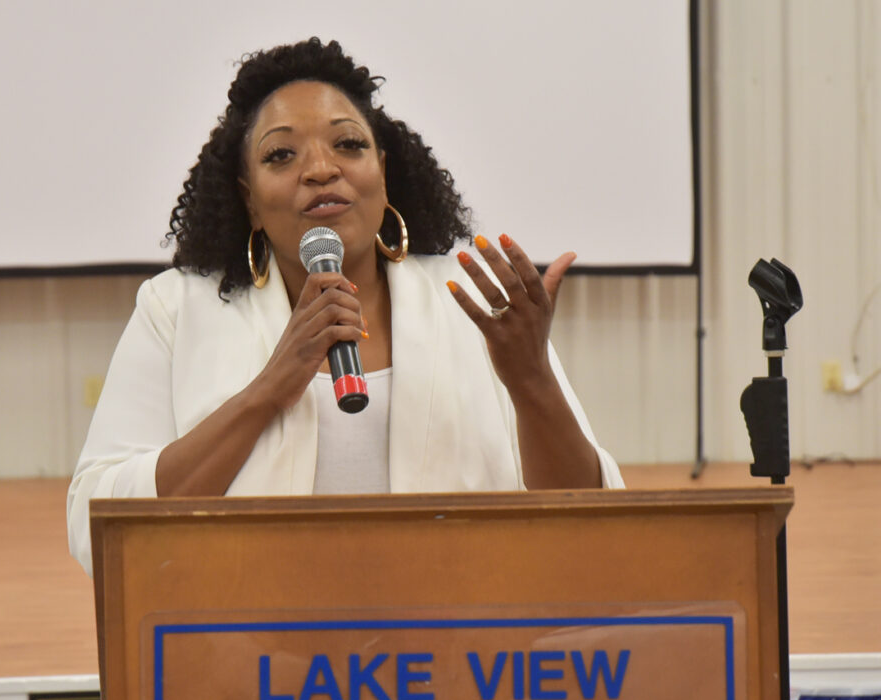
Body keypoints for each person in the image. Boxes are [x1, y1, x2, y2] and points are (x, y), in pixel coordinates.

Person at [67, 37, 624, 575]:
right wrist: (268, 390)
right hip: (253, 635)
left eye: (348, 145)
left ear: (383, 172)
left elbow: (591, 525)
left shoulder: (473, 303)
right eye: (281, 154)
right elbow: (98, 523)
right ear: (249, 199)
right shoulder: (177, 309)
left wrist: (531, 382)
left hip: (455, 628)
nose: (320, 169)